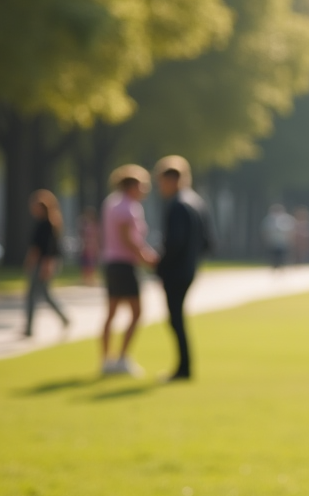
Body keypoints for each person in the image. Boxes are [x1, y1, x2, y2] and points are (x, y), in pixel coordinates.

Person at [153, 156, 210, 381]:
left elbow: (174, 242)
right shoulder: (197, 202)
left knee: (175, 319)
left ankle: (183, 369)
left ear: (171, 179)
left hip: (176, 271)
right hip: (188, 269)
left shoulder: (177, 205)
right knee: (177, 318)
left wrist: (161, 265)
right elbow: (207, 242)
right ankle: (184, 367)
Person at [100, 165, 158, 376]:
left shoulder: (111, 203)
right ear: (132, 186)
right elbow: (129, 239)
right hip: (125, 264)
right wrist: (147, 258)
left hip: (111, 263)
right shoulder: (128, 207)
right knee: (136, 313)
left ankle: (106, 360)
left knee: (111, 313)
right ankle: (122, 358)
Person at [22, 189, 70, 337]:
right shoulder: (51, 224)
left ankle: (29, 328)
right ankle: (63, 318)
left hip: (43, 264)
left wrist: (38, 264)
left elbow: (44, 249)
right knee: (43, 294)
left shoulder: (46, 225)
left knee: (34, 295)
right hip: (46, 263)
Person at [261, 205, 293, 269]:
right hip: (273, 241)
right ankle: (275, 266)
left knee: (282, 256)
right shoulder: (269, 219)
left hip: (283, 242)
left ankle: (281, 266)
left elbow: (290, 230)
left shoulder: (286, 219)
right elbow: (265, 231)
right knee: (273, 256)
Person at [78, 206, 100, 286]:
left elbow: (97, 237)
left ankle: (91, 278)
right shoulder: (85, 225)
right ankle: (85, 278)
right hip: (86, 246)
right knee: (86, 262)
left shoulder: (95, 226)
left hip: (92, 246)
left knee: (92, 262)